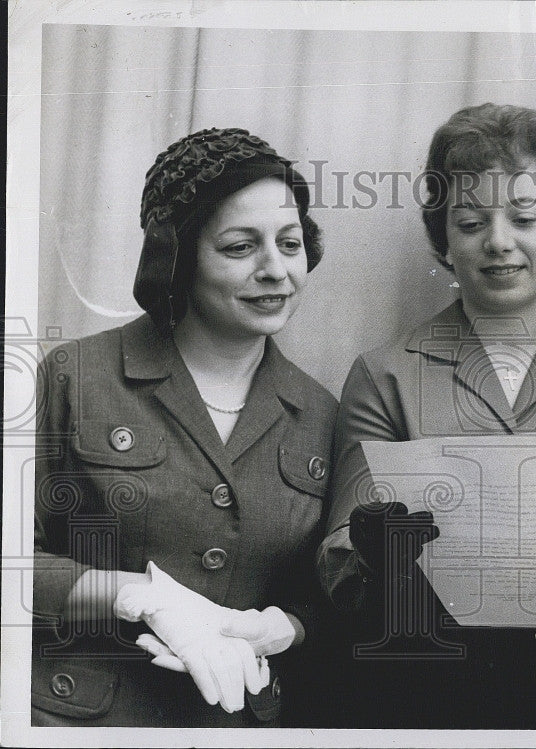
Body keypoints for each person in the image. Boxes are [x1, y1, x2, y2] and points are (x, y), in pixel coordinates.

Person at [316, 103, 536, 728]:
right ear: (445, 243)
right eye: (470, 221)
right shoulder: (386, 375)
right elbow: (340, 563)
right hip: (405, 697)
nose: (498, 241)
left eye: (524, 217)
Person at [32, 127, 338, 727]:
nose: (275, 270)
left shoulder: (322, 412)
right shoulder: (77, 376)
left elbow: (330, 596)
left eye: (291, 243)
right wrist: (136, 597)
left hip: (237, 723)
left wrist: (288, 629)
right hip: (81, 722)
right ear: (177, 258)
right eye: (239, 247)